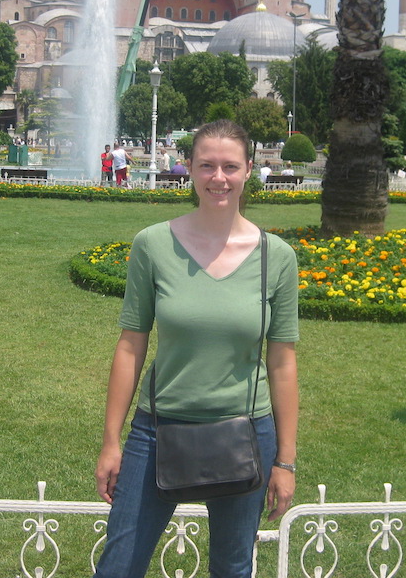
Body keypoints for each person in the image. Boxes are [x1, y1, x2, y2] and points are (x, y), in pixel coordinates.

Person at [93, 120, 300, 578]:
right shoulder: (153, 245)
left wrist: (285, 461)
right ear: (189, 168)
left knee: (232, 568)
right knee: (119, 566)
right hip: (157, 428)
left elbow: (282, 363)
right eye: (207, 165)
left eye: (230, 166)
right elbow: (130, 346)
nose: (218, 178)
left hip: (245, 431)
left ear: (249, 171)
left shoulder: (277, 257)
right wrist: (111, 441)